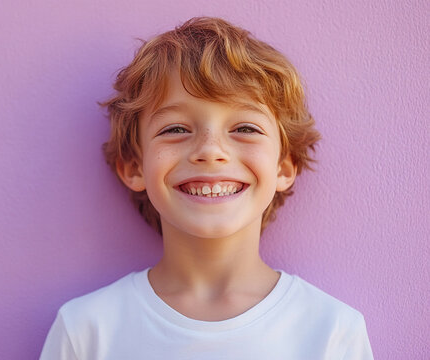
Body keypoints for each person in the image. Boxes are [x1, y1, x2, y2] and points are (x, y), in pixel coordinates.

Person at [40, 17, 373, 359]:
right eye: (175, 129)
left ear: (283, 168)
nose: (210, 150)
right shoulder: (86, 331)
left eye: (245, 127)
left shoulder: (332, 331)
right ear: (135, 167)